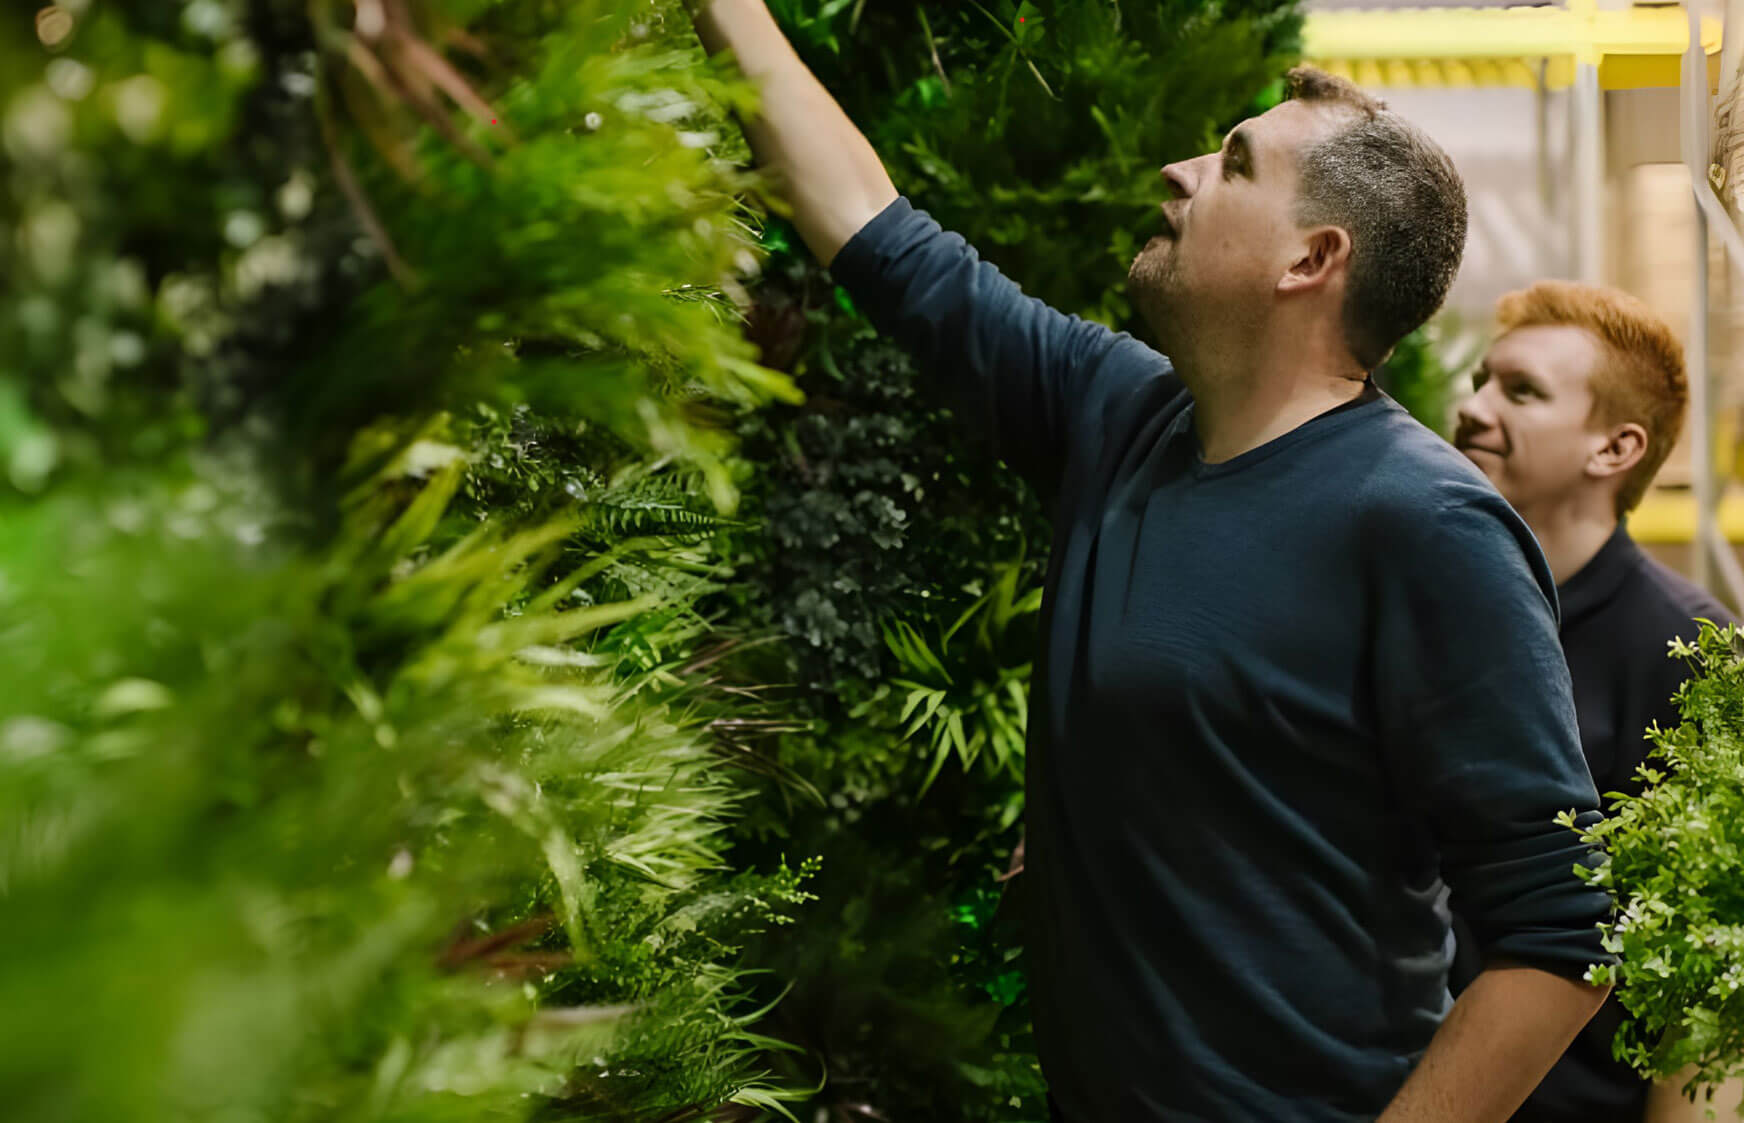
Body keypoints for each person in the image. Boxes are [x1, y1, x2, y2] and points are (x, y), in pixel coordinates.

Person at [686, 3, 1615, 1119]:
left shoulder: (1424, 525)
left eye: (1231, 164)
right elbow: (870, 227)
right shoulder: (1117, 412)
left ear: (1312, 259)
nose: (1178, 173)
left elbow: (1564, 926)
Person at [1451, 281, 1740, 1123]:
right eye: (1482, 380)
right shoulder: (1431, 604)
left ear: (1615, 448)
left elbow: (1712, 979)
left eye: (1522, 390)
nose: (1473, 408)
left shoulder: (1690, 654)